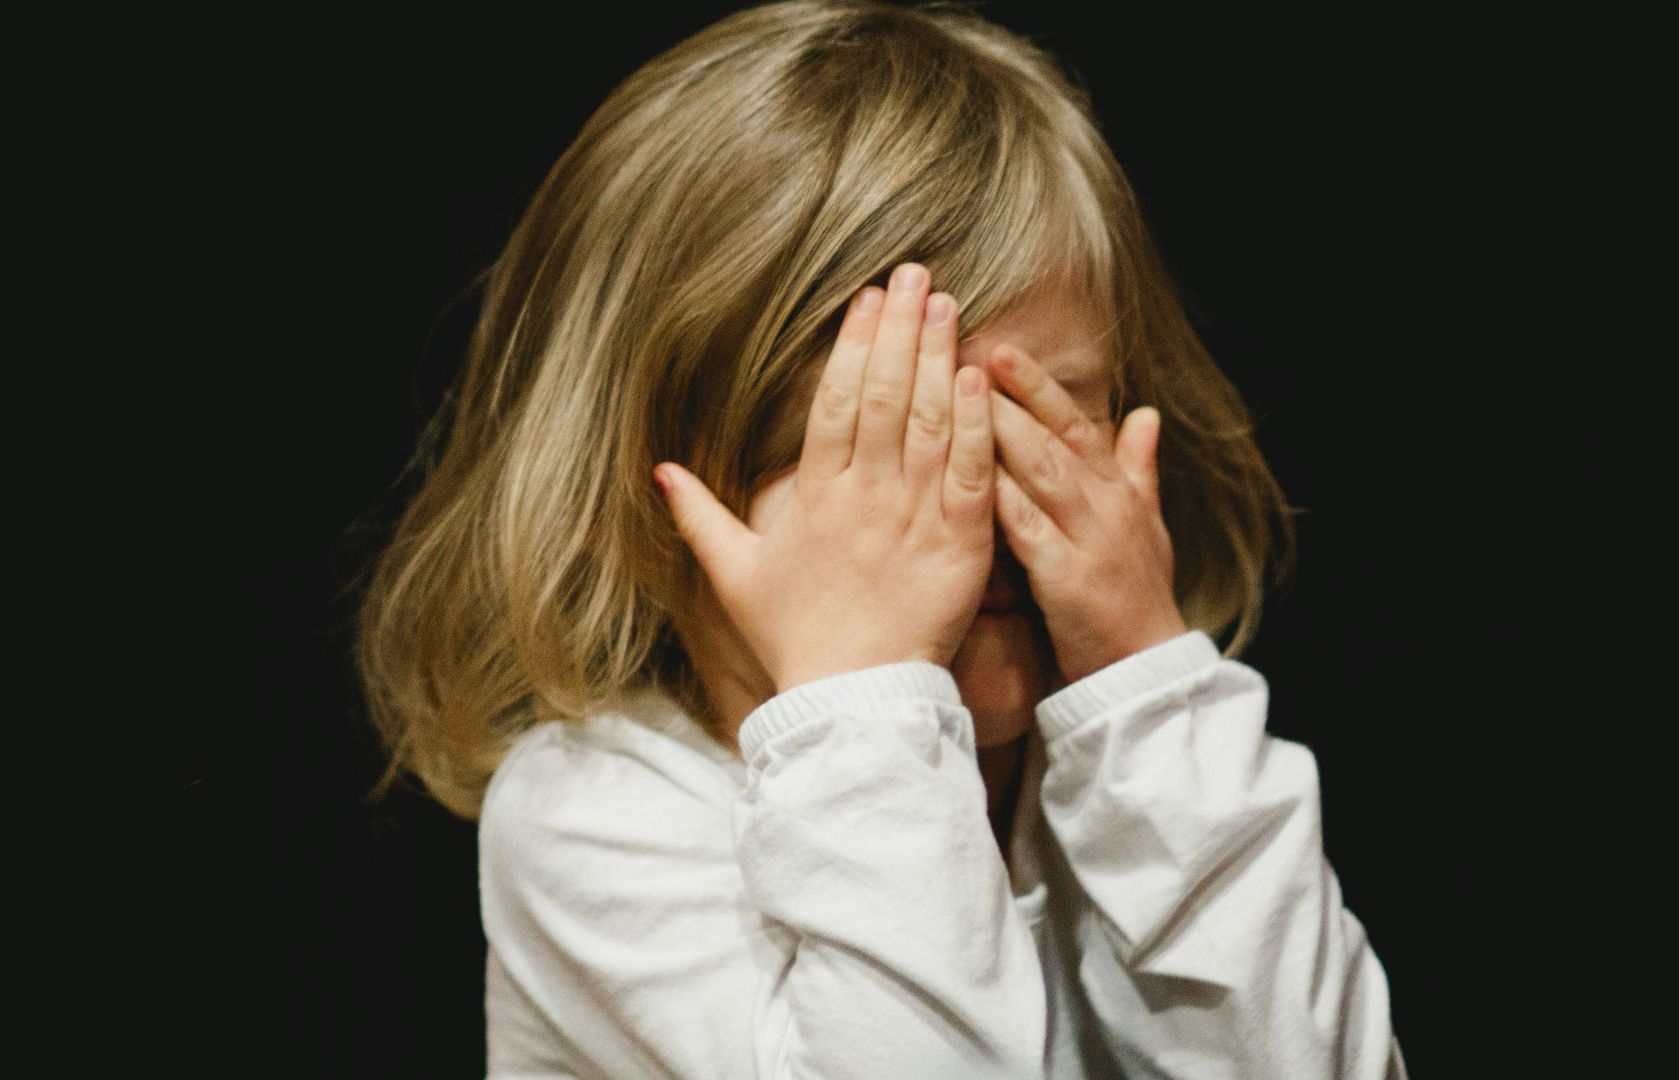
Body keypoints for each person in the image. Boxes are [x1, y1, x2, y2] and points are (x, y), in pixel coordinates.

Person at [352, 2, 1408, 1076]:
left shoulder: (1130, 773)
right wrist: (865, 697)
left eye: (1040, 422)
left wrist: (1150, 695)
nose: (974, 513)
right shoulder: (594, 812)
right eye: (892, 447)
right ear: (663, 488)